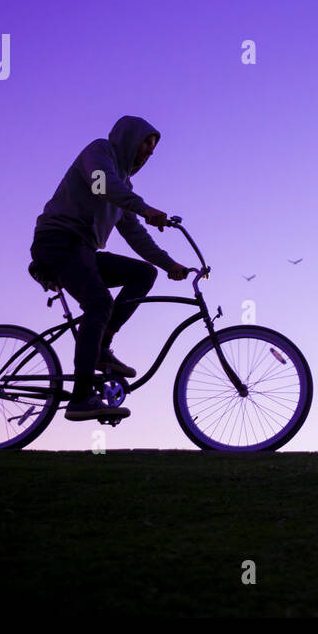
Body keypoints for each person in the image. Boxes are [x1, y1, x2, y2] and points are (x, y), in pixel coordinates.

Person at [30, 115, 191, 421]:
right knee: (99, 303)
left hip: (83, 251)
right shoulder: (99, 152)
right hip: (58, 241)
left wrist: (170, 264)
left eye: (154, 146)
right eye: (147, 141)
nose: (151, 151)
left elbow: (137, 237)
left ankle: (102, 344)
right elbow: (102, 184)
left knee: (144, 273)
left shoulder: (124, 188)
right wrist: (144, 208)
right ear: (129, 137)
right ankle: (80, 399)